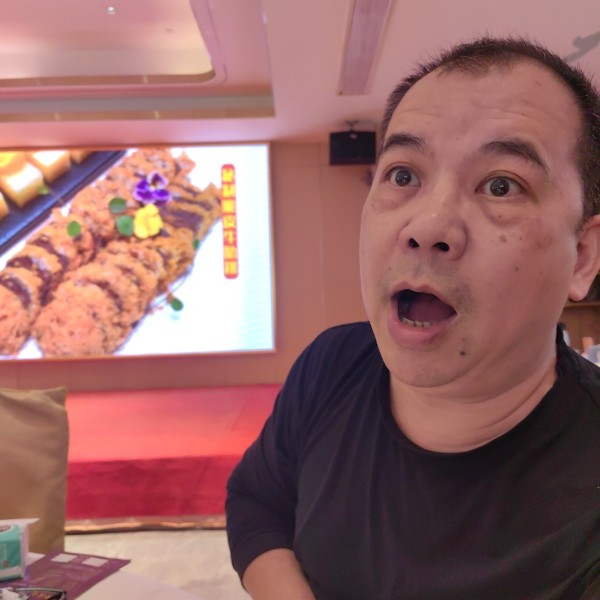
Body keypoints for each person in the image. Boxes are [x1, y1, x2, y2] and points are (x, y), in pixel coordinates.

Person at [225, 36, 600, 599]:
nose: (427, 226)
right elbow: (257, 502)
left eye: (501, 185)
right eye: (403, 175)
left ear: (584, 256)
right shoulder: (332, 363)